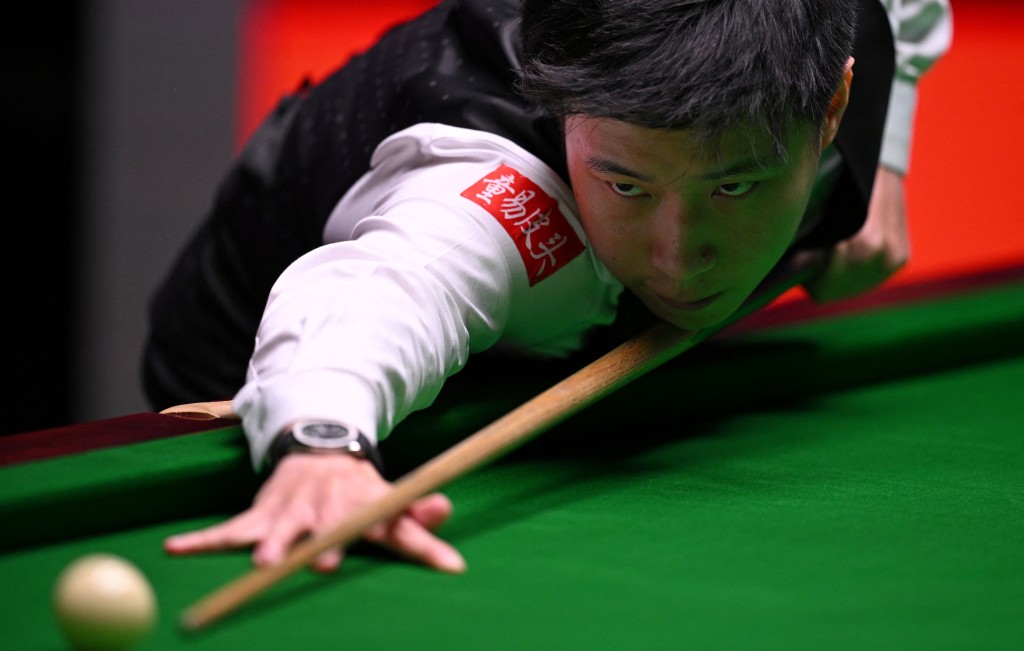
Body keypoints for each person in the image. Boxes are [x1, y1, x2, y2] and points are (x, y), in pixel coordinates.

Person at [147, 0, 951, 574]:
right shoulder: (496, 200)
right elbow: (385, 292)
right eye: (627, 186)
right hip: (245, 347)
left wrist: (883, 152)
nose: (678, 259)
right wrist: (322, 443)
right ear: (568, 113)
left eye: (734, 187)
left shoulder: (836, 32)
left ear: (833, 104)